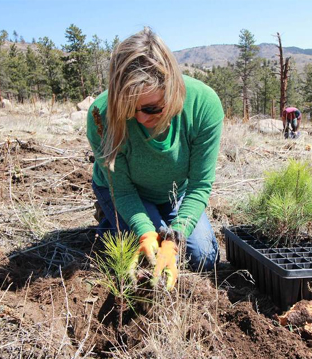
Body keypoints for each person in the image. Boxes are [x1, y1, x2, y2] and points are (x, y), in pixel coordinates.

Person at [86, 27, 224, 290]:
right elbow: (123, 190)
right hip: (125, 191)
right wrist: (146, 232)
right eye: (128, 109)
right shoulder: (100, 116)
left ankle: (136, 224)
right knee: (145, 256)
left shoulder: (203, 106)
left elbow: (198, 186)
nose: (140, 119)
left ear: (171, 89)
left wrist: (174, 238)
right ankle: (111, 220)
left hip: (175, 193)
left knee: (202, 257)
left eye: (152, 108)